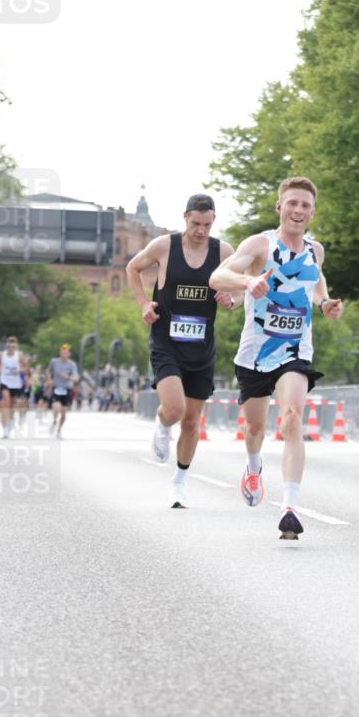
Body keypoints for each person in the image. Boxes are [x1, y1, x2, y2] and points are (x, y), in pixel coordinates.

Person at [209, 176, 343, 539]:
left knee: (291, 419)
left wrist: (325, 303)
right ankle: (254, 466)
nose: (298, 210)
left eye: (305, 205)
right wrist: (247, 284)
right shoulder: (259, 245)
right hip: (255, 353)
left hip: (295, 350)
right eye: (292, 203)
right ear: (279, 207)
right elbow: (218, 276)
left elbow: (317, 284)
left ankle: (289, 508)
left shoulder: (315, 251)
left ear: (312, 213)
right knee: (255, 428)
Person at [126, 193, 236, 508]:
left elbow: (239, 285)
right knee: (175, 410)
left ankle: (179, 483)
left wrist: (231, 299)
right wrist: (144, 303)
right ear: (185, 217)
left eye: (207, 224)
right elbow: (133, 268)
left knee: (192, 421)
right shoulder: (165, 246)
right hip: (166, 342)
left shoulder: (223, 252)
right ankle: (162, 425)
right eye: (196, 223)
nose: (201, 231)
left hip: (202, 347)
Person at [0, 336, 31, 438]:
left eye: (13, 346)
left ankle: (11, 422)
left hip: (16, 384)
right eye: (8, 346)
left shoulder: (19, 355)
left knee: (13, 406)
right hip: (4, 382)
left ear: (15, 347)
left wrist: (21, 370)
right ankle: (5, 430)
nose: (10, 348)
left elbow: (26, 367)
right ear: (6, 346)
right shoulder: (1, 355)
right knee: (6, 403)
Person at [45, 344, 79, 438]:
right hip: (56, 388)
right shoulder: (54, 362)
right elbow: (48, 371)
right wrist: (49, 380)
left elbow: (76, 378)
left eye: (66, 352)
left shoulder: (72, 365)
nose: (64, 353)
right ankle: (54, 421)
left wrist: (68, 377)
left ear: (69, 354)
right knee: (56, 408)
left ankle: (59, 430)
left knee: (63, 414)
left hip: (66, 390)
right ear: (60, 352)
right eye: (62, 351)